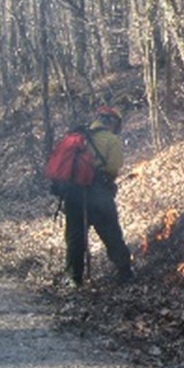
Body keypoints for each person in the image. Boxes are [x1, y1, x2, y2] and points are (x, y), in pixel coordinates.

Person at [63, 105, 133, 287]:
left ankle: (74, 278)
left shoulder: (78, 137)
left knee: (75, 236)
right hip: (98, 192)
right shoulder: (110, 140)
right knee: (111, 233)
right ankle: (125, 272)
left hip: (72, 194)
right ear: (111, 122)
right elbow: (113, 167)